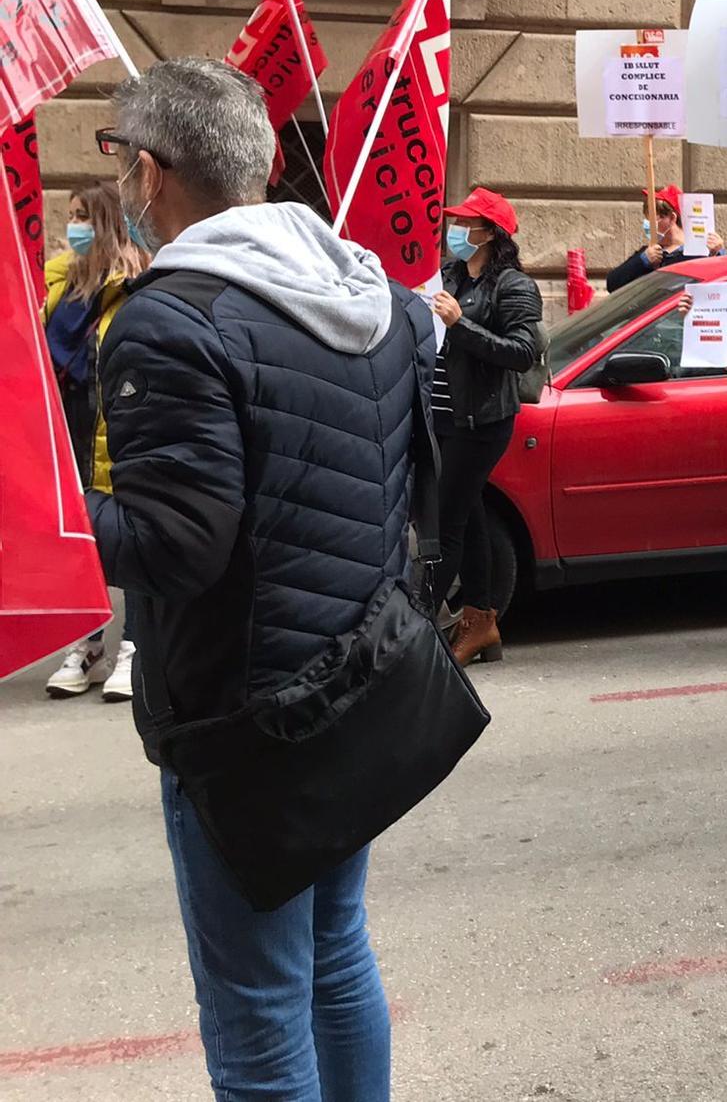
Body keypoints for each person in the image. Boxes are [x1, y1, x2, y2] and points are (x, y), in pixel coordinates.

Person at [85, 57, 430, 1101]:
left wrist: (58, 518)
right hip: (357, 686)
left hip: (246, 727)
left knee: (258, 1023)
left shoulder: (171, 321)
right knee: (334, 964)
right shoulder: (373, 292)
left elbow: (176, 545)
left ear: (148, 177)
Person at [42, 183, 147, 700]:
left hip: (114, 431)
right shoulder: (59, 285)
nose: (74, 227)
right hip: (68, 433)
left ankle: (133, 644)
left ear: (106, 222)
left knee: (122, 536)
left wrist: (138, 280)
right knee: (81, 545)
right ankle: (86, 645)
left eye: (84, 216)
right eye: (70, 216)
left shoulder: (132, 284)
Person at [432, 187, 544, 667]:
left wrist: (461, 325)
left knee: (448, 521)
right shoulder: (451, 274)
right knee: (471, 514)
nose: (455, 231)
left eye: (465, 223)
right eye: (454, 221)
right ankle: (482, 624)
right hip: (443, 416)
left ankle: (416, 625)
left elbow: (522, 352)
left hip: (480, 422)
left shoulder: (513, 286)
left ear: (490, 233)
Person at [605, 185, 725, 292]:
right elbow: (612, 284)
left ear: (672, 218)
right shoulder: (648, 252)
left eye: (652, 218)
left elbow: (723, 284)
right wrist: (642, 261)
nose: (647, 223)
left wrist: (718, 254)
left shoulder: (699, 253)